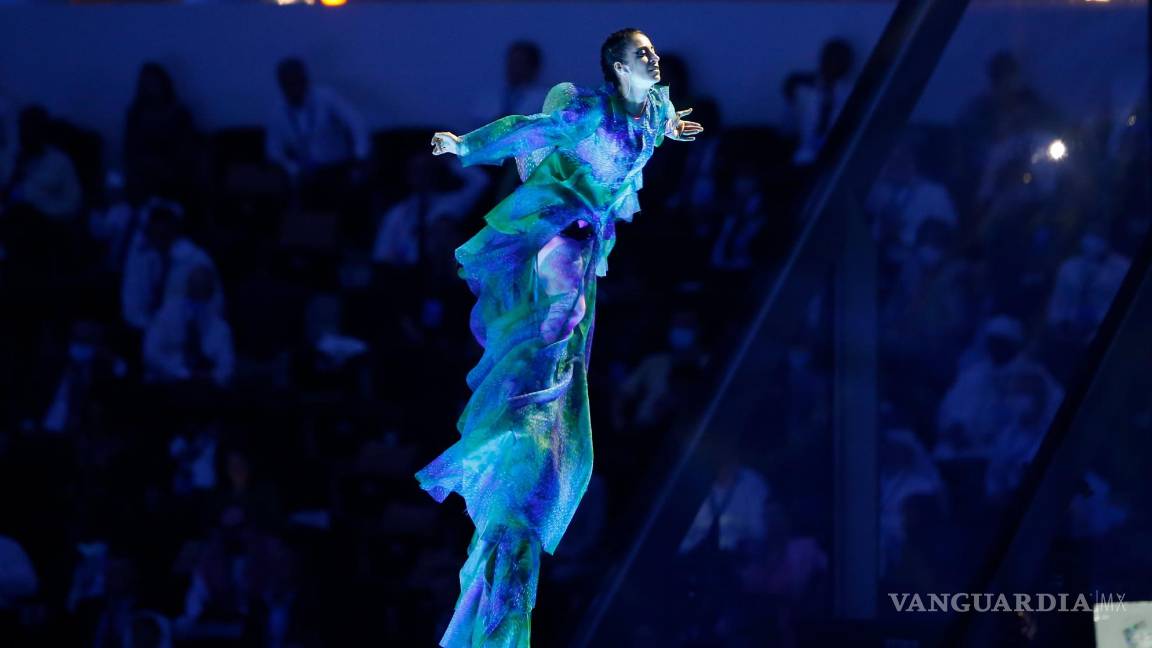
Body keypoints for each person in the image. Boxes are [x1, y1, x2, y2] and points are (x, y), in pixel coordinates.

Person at [415, 28, 702, 647]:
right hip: (556, 223)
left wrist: (676, 129)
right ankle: (524, 391)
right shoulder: (587, 110)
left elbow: (663, 125)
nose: (653, 59)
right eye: (641, 54)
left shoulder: (653, 110)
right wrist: (466, 145)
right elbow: (524, 129)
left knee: (570, 342)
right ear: (614, 65)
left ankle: (536, 402)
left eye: (653, 52)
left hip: (591, 234)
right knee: (555, 322)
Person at [266, 58, 368, 206]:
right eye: (287, 83)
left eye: (296, 80)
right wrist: (292, 169)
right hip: (305, 173)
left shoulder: (326, 98)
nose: (293, 87)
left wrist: (361, 157)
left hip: (337, 168)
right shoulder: (277, 111)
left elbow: (357, 124)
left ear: (305, 79)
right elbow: (273, 151)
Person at [123, 62, 200, 205]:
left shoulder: (179, 113)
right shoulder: (135, 114)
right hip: (143, 173)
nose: (151, 88)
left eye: (154, 83)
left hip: (173, 171)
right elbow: (130, 149)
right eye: (146, 84)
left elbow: (186, 149)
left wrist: (165, 166)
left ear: (165, 84)